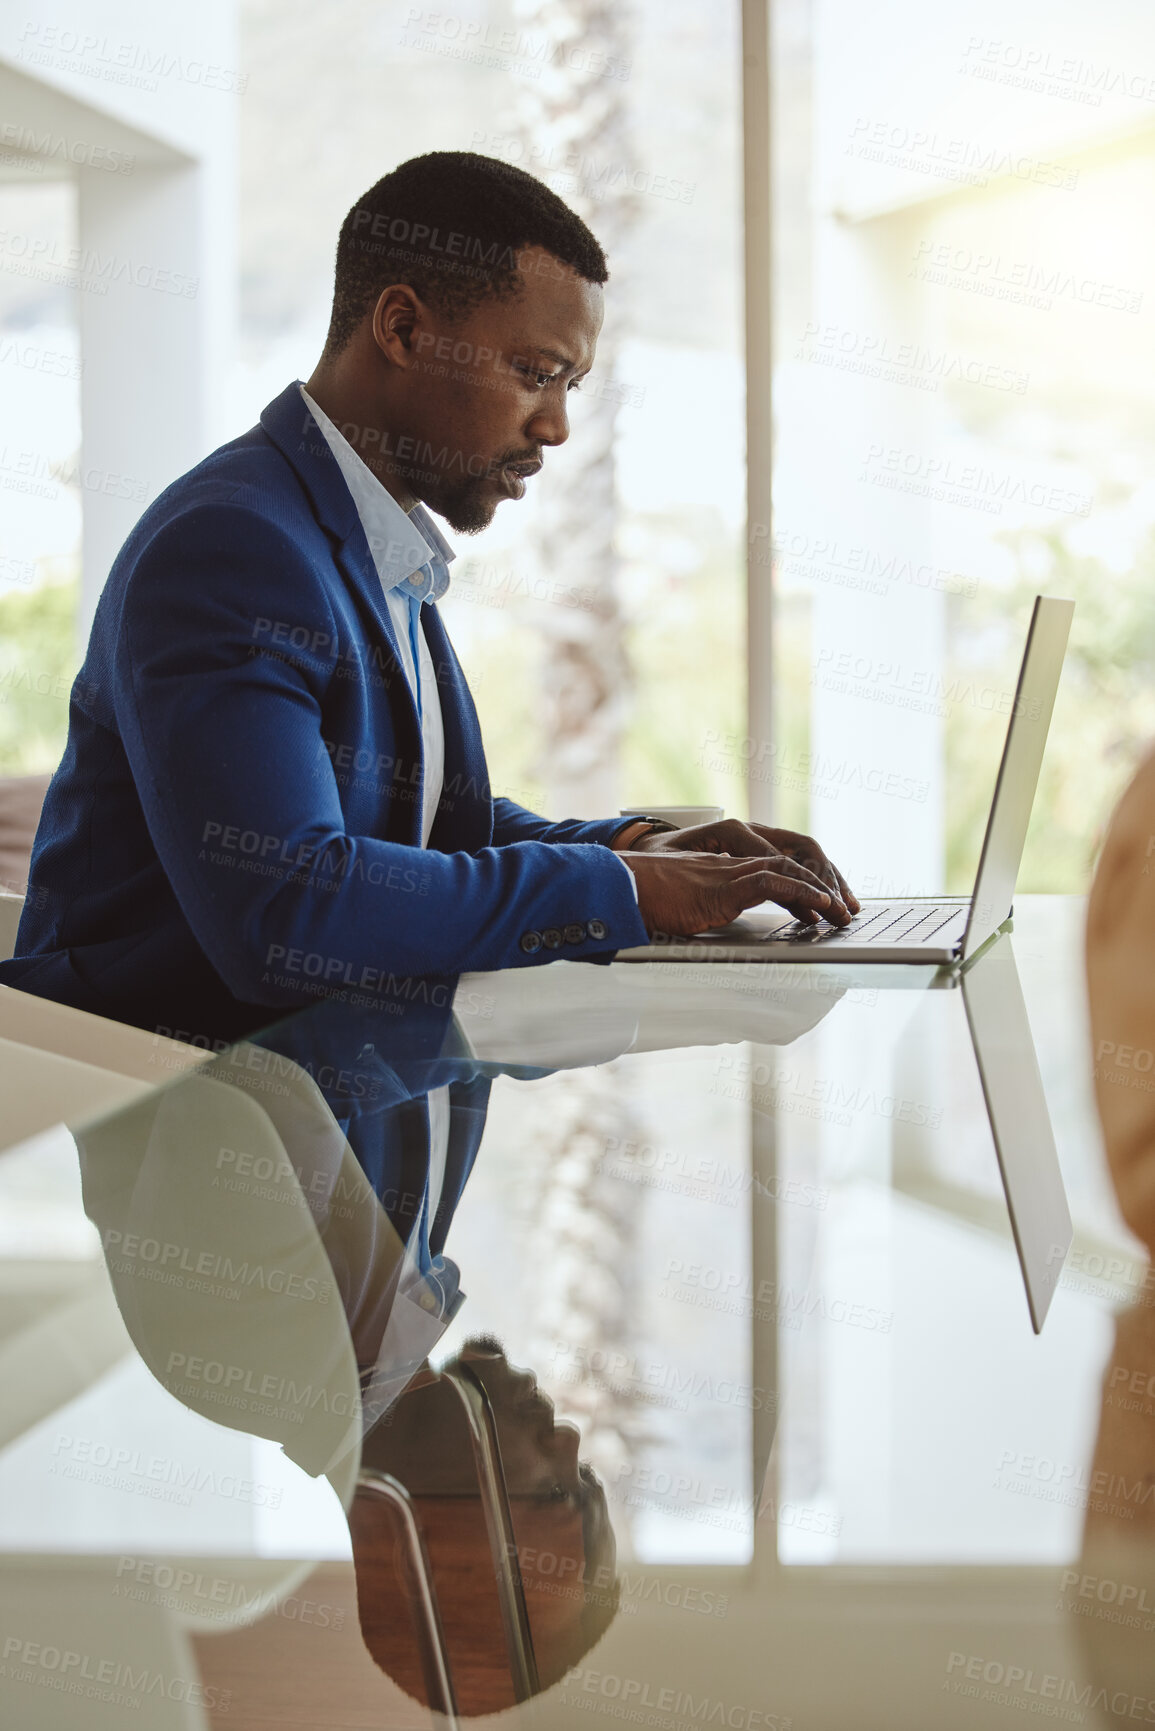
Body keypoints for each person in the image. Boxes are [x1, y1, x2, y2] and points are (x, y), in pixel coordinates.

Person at [0, 150, 857, 1045]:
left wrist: (636, 847)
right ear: (403, 329)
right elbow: (287, 915)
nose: (556, 426)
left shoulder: (370, 539)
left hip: (334, 1089)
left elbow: (426, 824)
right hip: (182, 1112)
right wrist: (627, 891)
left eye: (570, 384)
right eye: (534, 371)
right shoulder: (232, 546)